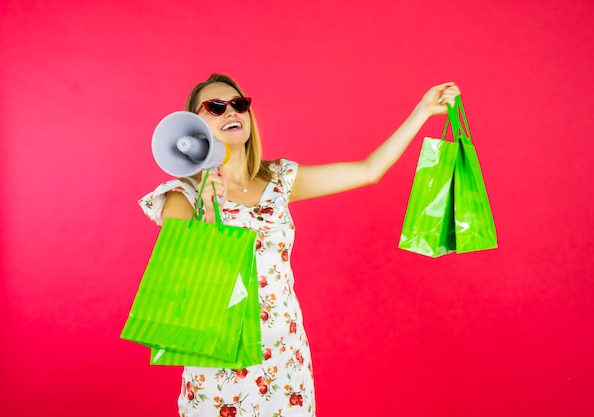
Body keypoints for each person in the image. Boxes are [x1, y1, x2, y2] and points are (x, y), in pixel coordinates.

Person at [139, 73, 461, 417]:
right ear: (192, 126)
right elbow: (180, 282)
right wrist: (205, 214)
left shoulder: (278, 180)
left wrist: (422, 111)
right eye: (216, 107)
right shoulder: (181, 196)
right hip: (219, 368)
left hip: (285, 362)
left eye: (239, 104)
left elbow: (368, 171)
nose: (231, 112)